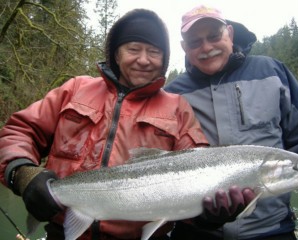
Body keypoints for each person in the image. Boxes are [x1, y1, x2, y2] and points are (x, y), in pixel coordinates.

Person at [0, 8, 255, 240]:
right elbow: (18, 132)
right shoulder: (75, 89)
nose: (144, 60)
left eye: (154, 52)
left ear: (164, 59)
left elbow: (198, 174)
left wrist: (209, 214)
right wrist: (22, 173)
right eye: (133, 49)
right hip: (62, 232)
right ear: (116, 54)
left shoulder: (178, 108)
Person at [165, 5, 298, 240]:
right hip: (196, 232)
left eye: (214, 36)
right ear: (184, 48)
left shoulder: (272, 72)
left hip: (272, 231)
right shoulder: (172, 95)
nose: (206, 47)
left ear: (230, 33)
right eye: (195, 42)